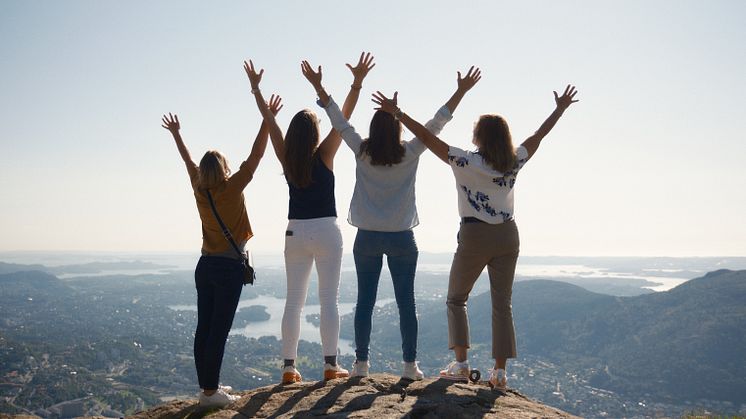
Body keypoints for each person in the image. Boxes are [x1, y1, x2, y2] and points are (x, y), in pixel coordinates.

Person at [372, 84, 579, 390]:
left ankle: (461, 364)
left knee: (456, 298)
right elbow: (538, 137)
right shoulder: (514, 160)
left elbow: (428, 138)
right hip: (508, 234)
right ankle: (499, 372)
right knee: (502, 304)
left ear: (481, 136)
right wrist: (559, 110)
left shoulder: (465, 161)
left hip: (475, 234)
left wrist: (398, 114)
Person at [308, 66, 482, 380]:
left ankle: (361, 366)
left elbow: (338, 121)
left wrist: (320, 87)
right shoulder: (410, 152)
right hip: (402, 238)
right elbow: (436, 124)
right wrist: (461, 91)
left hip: (368, 238)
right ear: (398, 129)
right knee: (406, 304)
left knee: (364, 302)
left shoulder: (362, 151)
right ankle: (409, 366)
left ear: (374, 130)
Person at [243, 53, 375, 383]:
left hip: (295, 233)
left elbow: (269, 122)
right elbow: (343, 117)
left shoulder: (286, 156)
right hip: (327, 231)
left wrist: (257, 90)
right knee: (328, 298)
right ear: (315, 134)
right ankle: (331, 365)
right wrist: (356, 82)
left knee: (293, 303)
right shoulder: (326, 153)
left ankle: (288, 368)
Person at [160, 94, 284, 406]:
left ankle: (207, 387)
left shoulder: (199, 189)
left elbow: (188, 162)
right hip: (228, 268)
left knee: (204, 329)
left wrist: (176, 134)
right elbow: (256, 156)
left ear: (204, 172)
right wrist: (266, 119)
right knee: (218, 332)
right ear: (225, 168)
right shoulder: (232, 188)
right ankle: (210, 393)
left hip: (204, 267)